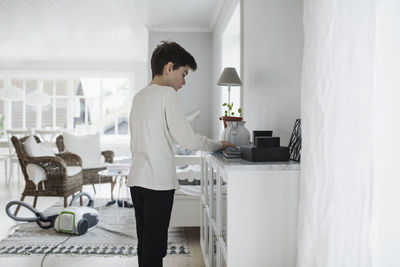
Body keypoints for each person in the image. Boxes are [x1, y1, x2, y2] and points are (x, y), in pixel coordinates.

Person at [127, 41, 237, 267]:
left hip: (137, 180)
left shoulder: (139, 97)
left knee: (145, 241)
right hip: (157, 182)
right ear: (169, 67)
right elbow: (188, 139)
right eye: (184, 73)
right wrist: (219, 144)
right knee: (155, 246)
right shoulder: (167, 95)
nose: (184, 82)